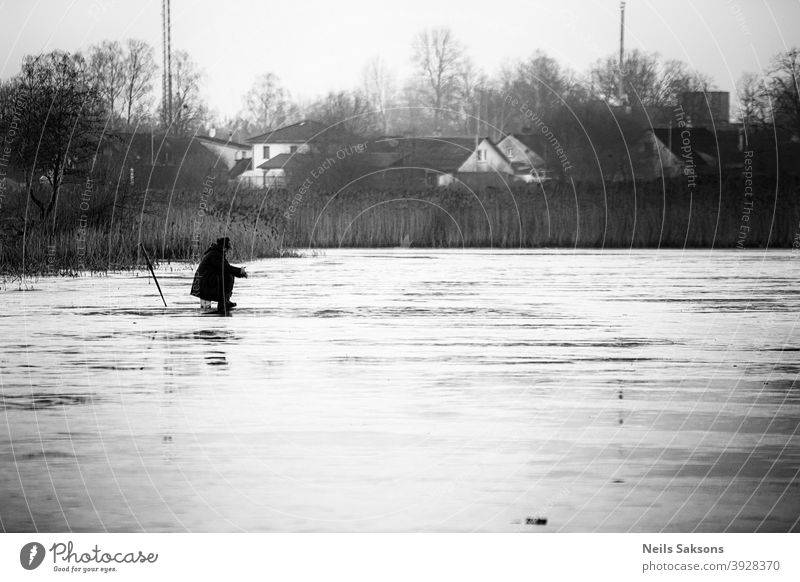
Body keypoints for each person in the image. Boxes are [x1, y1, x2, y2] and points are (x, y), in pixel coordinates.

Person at [190, 237, 248, 313]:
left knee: (229, 275)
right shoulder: (215, 254)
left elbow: (226, 267)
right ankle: (223, 302)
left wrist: (240, 273)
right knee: (228, 277)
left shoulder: (217, 253)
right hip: (204, 284)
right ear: (224, 248)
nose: (227, 252)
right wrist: (240, 271)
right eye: (227, 249)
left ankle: (226, 300)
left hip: (207, 281)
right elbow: (225, 268)